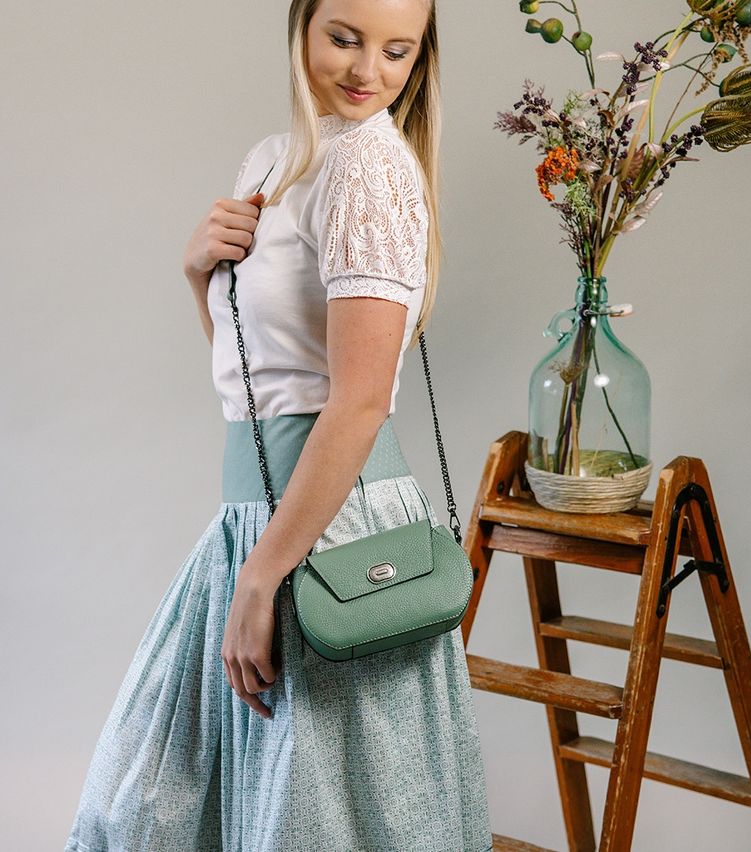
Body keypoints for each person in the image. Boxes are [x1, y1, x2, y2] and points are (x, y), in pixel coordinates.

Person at [63, 1, 494, 850]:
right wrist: (199, 273)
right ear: (301, 26)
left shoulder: (369, 166)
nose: (368, 71)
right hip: (260, 521)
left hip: (331, 532)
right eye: (345, 38)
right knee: (165, 808)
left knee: (316, 824)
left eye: (398, 51)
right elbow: (258, 381)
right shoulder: (275, 159)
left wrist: (265, 575)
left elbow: (360, 401)